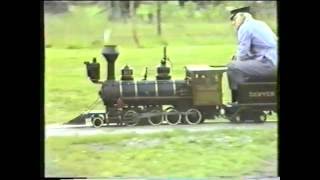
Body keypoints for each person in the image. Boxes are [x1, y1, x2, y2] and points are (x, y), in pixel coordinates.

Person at [227, 6, 278, 102]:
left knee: (232, 66)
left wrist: (235, 59)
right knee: (240, 65)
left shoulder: (245, 27)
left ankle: (240, 99)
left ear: (241, 17)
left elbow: (242, 53)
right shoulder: (260, 24)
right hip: (273, 60)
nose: (233, 23)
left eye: (234, 19)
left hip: (268, 63)